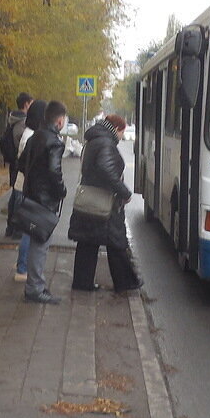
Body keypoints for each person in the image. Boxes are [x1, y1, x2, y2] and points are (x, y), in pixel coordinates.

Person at [69, 114, 142, 293]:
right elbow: (106, 169)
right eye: (122, 133)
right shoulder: (106, 143)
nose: (121, 137)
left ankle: (82, 282)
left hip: (91, 198)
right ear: (116, 129)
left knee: (88, 242)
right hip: (105, 201)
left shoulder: (94, 140)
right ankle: (125, 283)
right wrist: (124, 191)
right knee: (116, 242)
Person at [18, 100, 68, 304]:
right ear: (59, 120)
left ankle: (34, 284)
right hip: (45, 201)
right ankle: (35, 288)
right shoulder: (54, 142)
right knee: (40, 244)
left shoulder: (34, 137)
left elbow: (21, 164)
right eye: (64, 119)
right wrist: (61, 190)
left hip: (30, 197)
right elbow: (54, 171)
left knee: (33, 242)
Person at [10, 99, 46, 283]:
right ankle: (22, 267)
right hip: (27, 188)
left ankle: (22, 264)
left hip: (23, 186)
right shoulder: (31, 136)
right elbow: (28, 164)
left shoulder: (30, 133)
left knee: (28, 228)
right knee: (29, 229)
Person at [1, 92, 33, 238]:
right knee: (19, 195)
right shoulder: (23, 124)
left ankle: (11, 228)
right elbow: (22, 145)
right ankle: (16, 228)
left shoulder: (13, 119)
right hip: (19, 164)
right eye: (31, 103)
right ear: (26, 104)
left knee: (15, 194)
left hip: (14, 163)